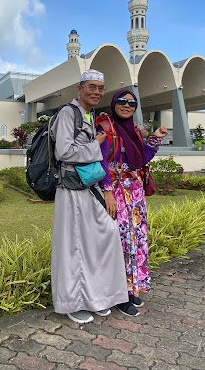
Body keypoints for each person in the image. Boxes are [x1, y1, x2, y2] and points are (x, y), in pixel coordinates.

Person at [50, 70, 128, 324]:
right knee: (73, 247)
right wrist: (95, 144)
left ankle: (96, 296)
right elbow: (63, 151)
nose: (97, 92)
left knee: (102, 236)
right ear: (79, 88)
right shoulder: (67, 113)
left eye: (101, 88)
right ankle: (72, 302)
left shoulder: (87, 115)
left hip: (88, 188)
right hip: (71, 189)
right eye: (92, 87)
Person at [96, 89, 168, 313]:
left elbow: (141, 159)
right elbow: (100, 161)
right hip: (116, 192)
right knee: (120, 242)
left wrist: (155, 138)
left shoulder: (134, 131)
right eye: (122, 101)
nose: (127, 106)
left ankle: (131, 290)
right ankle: (118, 294)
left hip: (135, 194)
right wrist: (107, 190)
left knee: (135, 241)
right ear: (113, 103)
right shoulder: (106, 129)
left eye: (132, 103)